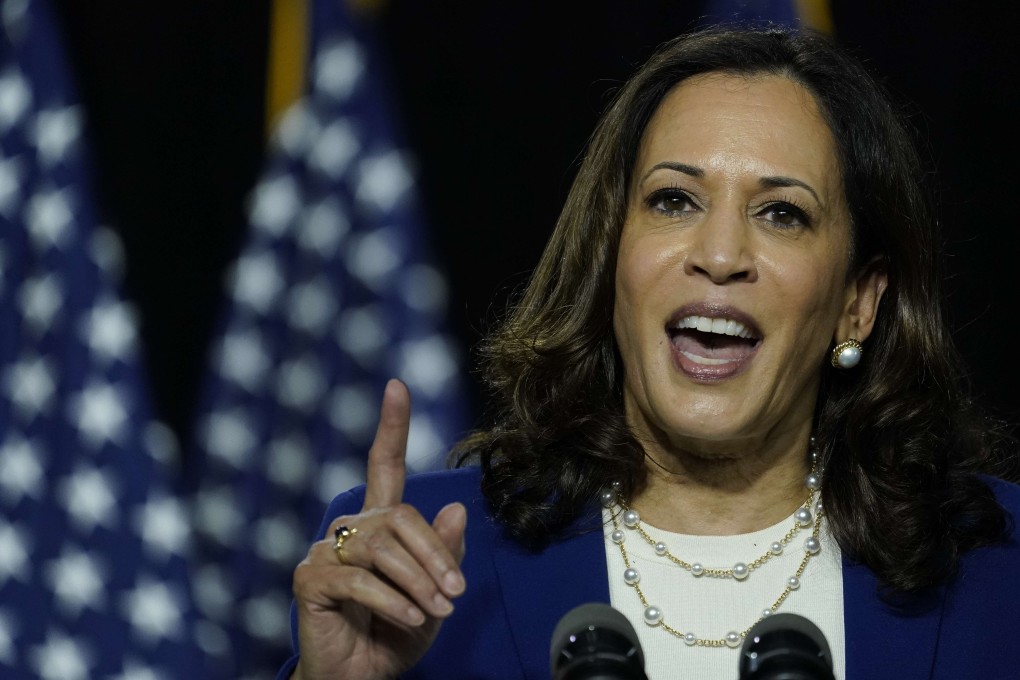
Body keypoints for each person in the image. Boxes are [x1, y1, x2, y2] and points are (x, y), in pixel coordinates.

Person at [278, 26, 1020, 680]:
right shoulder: (417, 561)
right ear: (612, 259)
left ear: (858, 300)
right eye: (674, 200)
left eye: (782, 214)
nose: (721, 254)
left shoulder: (999, 569)